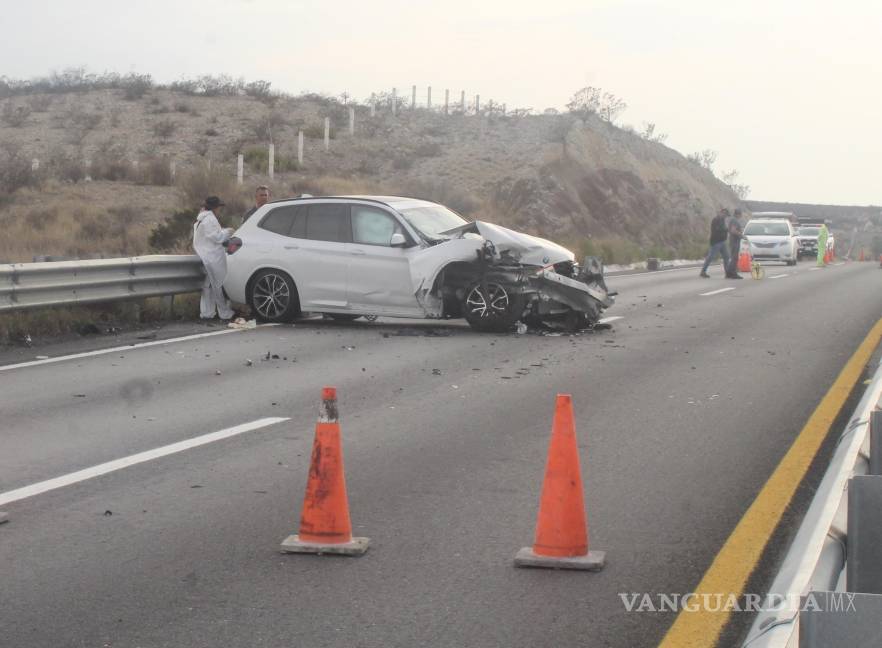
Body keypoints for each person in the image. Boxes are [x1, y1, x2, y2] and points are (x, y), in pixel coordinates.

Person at [194, 196, 235, 321]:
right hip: (212, 257)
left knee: (208, 286)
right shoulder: (210, 219)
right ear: (215, 207)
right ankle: (224, 313)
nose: (219, 210)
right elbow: (217, 237)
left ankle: (207, 313)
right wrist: (228, 231)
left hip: (204, 256)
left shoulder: (201, 219)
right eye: (219, 207)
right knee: (217, 286)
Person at [699, 208, 731, 278]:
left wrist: (726, 230)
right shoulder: (715, 220)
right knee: (710, 257)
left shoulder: (722, 220)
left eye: (726, 216)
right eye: (725, 215)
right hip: (716, 242)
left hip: (722, 241)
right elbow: (717, 229)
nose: (726, 217)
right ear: (722, 213)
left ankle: (727, 273)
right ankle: (703, 271)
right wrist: (726, 229)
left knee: (727, 256)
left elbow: (723, 229)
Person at [726, 208, 745, 279]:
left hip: (733, 240)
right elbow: (733, 230)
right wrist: (741, 235)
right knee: (735, 258)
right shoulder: (735, 221)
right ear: (738, 214)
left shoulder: (732, 220)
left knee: (733, 257)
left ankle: (729, 273)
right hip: (735, 241)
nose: (741, 216)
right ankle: (733, 273)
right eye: (740, 214)